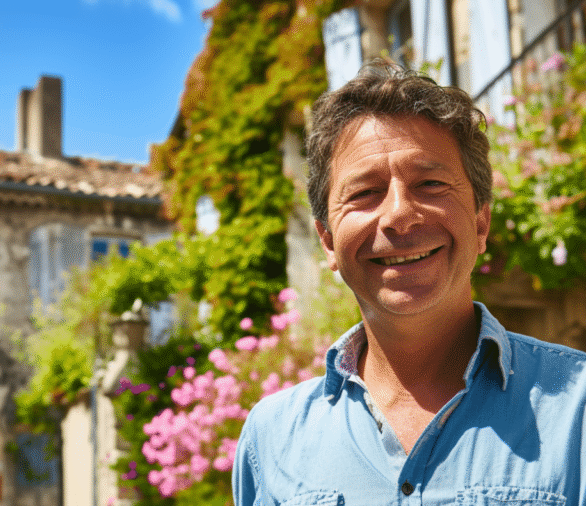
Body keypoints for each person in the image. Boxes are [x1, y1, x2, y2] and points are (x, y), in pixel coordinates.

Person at [232, 62, 586, 505]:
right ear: (327, 240)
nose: (399, 214)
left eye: (431, 183)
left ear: (481, 223)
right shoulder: (271, 439)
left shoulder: (578, 410)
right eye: (364, 192)